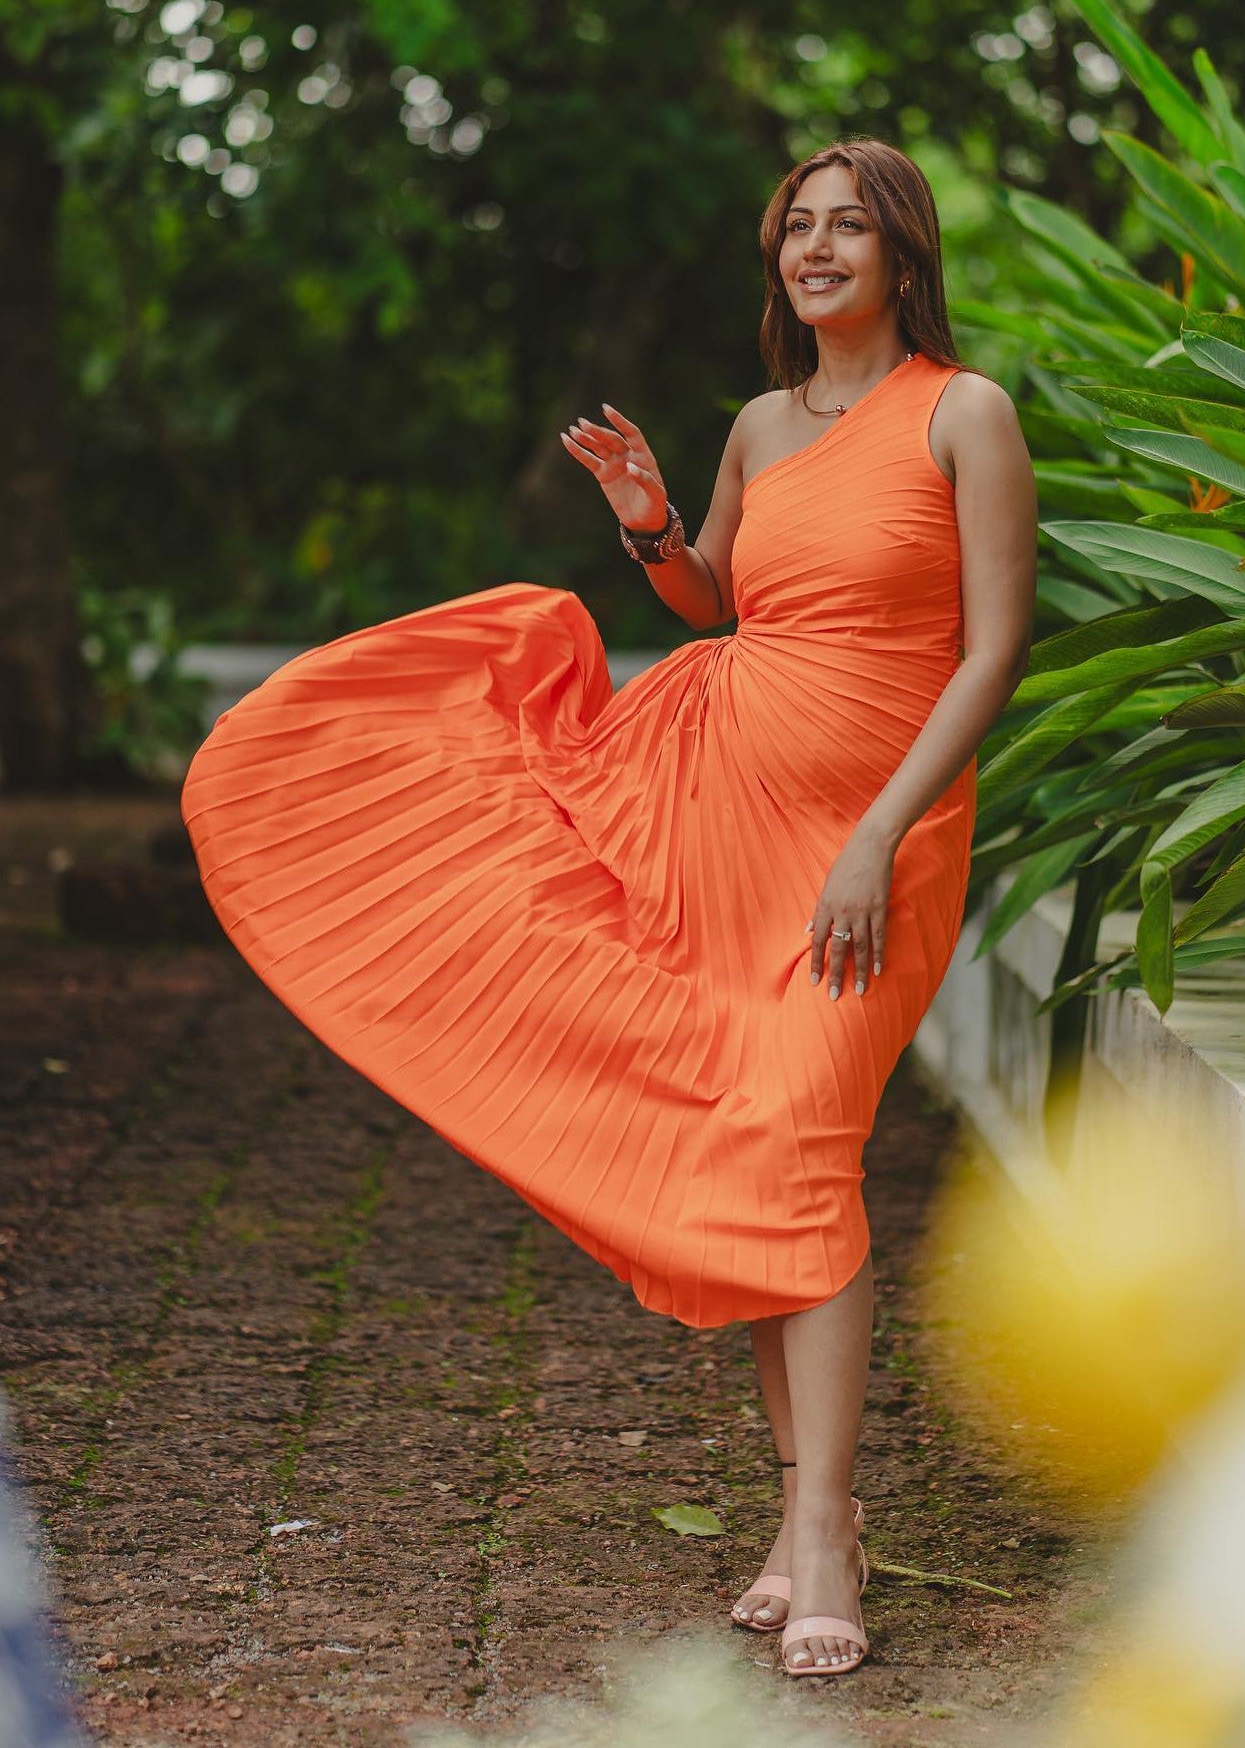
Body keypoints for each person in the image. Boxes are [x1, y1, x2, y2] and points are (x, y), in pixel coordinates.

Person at [179, 135, 1037, 1680]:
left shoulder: (963, 414)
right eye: (795, 229)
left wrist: (876, 834)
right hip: (712, 801)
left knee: (798, 1134)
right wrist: (650, 517)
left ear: (904, 256)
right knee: (757, 1144)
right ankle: (803, 1517)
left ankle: (828, 1524)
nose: (816, 250)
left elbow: (989, 650)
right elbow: (715, 601)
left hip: (872, 841)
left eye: (849, 228)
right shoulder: (762, 424)